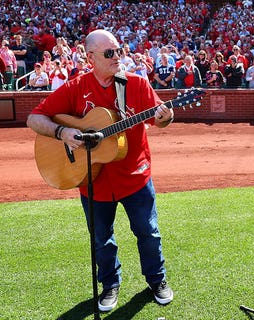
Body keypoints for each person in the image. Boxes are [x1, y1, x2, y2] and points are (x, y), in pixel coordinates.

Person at [25, 29, 174, 313]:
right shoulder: (75, 88)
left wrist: (167, 116)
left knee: (148, 232)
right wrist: (62, 131)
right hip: (93, 180)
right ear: (90, 57)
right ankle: (110, 285)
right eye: (109, 53)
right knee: (101, 238)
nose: (117, 56)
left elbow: (160, 119)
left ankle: (157, 280)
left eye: (119, 50)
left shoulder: (137, 84)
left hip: (135, 177)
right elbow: (35, 118)